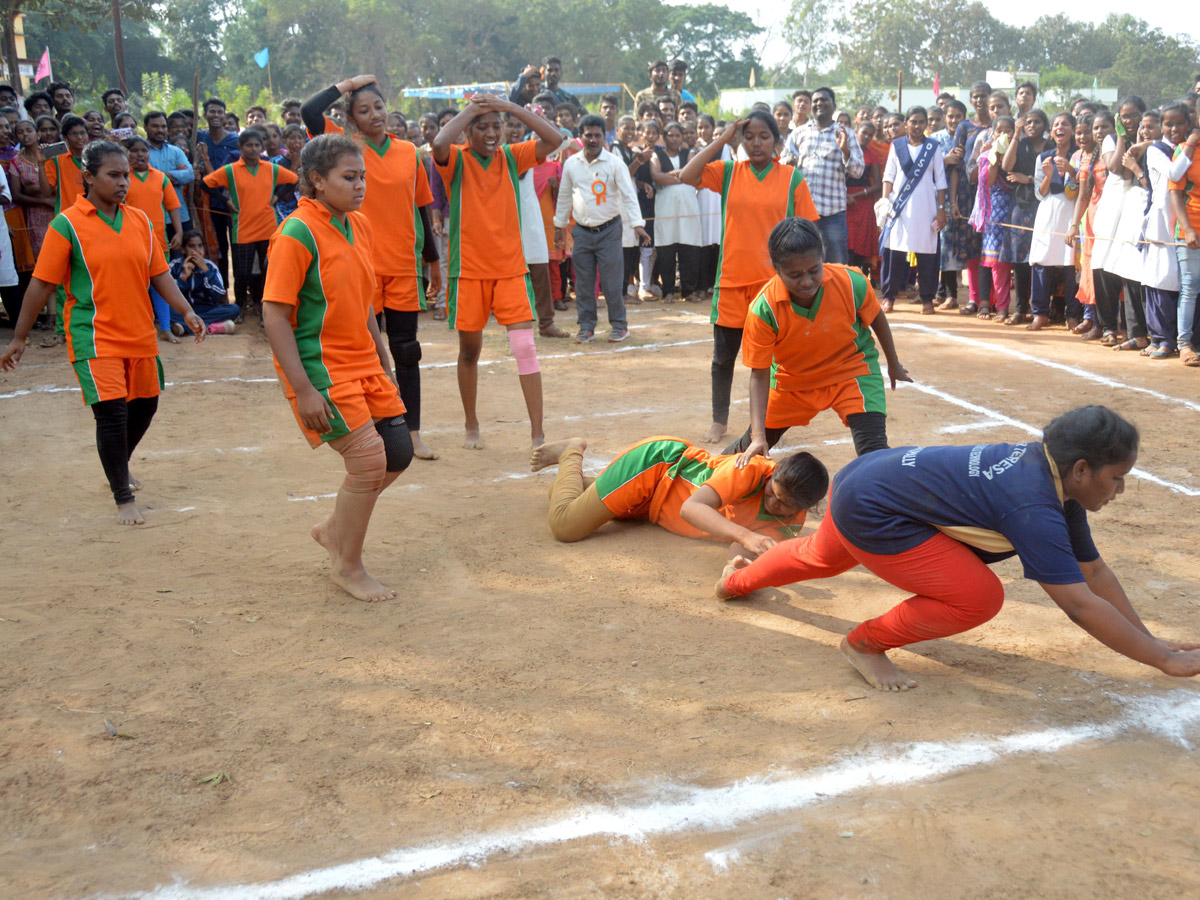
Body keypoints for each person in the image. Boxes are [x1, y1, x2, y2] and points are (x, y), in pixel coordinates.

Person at [716, 406, 1200, 692]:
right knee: (979, 596)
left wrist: (1154, 642)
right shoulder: (1033, 504)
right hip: (875, 507)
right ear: (1080, 470)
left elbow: (1094, 575)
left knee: (819, 556)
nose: (1120, 490)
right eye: (1117, 479)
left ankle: (734, 580)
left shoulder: (1052, 477)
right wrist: (1163, 661)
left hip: (866, 481)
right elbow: (1078, 603)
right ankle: (864, 642)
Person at [0, 141, 206, 525]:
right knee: (111, 415)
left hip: (139, 332)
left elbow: (159, 274)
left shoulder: (141, 221)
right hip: (93, 337)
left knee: (145, 405)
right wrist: (19, 337)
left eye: (126, 174)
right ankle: (122, 496)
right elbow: (41, 284)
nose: (123, 182)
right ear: (89, 177)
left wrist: (187, 311)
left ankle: (119, 463)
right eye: (114, 174)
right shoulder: (67, 224)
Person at [262, 133, 413, 603]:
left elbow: (363, 296)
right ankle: (347, 566)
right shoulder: (295, 234)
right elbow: (273, 315)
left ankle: (333, 530)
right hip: (322, 370)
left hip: (364, 361)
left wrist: (381, 350)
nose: (361, 185)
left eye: (363, 176)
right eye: (350, 177)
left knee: (398, 453)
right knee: (368, 460)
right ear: (316, 181)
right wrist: (304, 390)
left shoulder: (358, 225)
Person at [302, 74, 442, 460]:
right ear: (351, 118)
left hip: (401, 264)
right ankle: (376, 428)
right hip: (358, 264)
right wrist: (349, 84)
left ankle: (411, 431)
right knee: (365, 348)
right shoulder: (344, 149)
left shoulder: (411, 152)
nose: (375, 114)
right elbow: (308, 110)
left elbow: (421, 208)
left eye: (378, 106)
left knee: (406, 349)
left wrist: (433, 261)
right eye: (363, 110)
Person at [676, 112, 818, 445]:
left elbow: (809, 229)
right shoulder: (727, 172)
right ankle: (719, 419)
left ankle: (774, 420)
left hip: (774, 286)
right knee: (723, 357)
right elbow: (686, 174)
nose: (756, 143)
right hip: (731, 283)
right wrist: (723, 139)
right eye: (749, 136)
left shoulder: (791, 178)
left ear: (776, 141)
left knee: (775, 360)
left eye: (764, 136)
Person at [432, 94, 564, 449]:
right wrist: (472, 109)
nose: (491, 133)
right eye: (482, 127)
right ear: (469, 131)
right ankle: (471, 424)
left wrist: (510, 108)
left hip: (509, 270)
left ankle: (538, 434)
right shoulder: (455, 159)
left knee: (525, 347)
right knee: (470, 352)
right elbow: (440, 142)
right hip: (468, 272)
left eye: (497, 127)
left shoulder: (511, 156)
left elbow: (554, 140)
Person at [724, 217, 909, 463]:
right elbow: (759, 374)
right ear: (777, 270)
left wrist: (893, 362)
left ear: (822, 257)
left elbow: (877, 317)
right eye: (794, 275)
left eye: (814, 270)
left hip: (852, 372)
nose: (807, 281)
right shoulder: (765, 308)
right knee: (751, 447)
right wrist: (758, 435)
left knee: (874, 452)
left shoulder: (850, 282)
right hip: (794, 383)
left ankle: (883, 499)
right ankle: (707, 471)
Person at [531, 436, 827, 555]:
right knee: (565, 525)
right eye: (772, 493)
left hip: (653, 509)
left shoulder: (792, 523)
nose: (773, 503)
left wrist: (735, 570)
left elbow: (746, 549)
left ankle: (578, 484)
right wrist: (744, 535)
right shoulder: (750, 469)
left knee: (561, 493)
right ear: (772, 475)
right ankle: (570, 452)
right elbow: (691, 509)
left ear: (804, 509)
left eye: (784, 505)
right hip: (656, 469)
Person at [553, 113, 649, 343]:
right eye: (589, 135)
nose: (594, 140)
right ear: (580, 137)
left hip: (609, 231)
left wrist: (637, 224)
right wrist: (559, 226)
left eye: (598, 135)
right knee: (583, 284)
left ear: (604, 136)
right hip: (581, 232)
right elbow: (565, 196)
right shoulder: (571, 164)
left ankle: (619, 326)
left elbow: (628, 194)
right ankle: (586, 327)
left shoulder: (615, 164)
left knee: (611, 282)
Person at [202, 127, 298, 317]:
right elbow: (205, 183)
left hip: (268, 228)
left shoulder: (270, 168)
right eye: (249, 145)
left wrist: (277, 196)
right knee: (241, 273)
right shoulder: (230, 170)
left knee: (267, 271)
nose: (253, 149)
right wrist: (226, 201)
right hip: (243, 229)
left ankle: (263, 308)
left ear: (261, 147)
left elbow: (293, 179)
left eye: (257, 145)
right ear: (240, 147)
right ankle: (240, 307)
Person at [780, 87, 863, 264]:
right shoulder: (798, 133)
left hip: (832, 212)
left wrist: (845, 151)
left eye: (824, 100)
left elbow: (858, 171)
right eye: (815, 100)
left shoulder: (846, 134)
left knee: (837, 263)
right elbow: (782, 164)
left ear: (834, 105)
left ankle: (838, 292)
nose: (819, 103)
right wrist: (788, 162)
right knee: (802, 260)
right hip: (802, 211)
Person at [879, 106, 948, 316]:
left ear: (926, 124)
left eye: (921, 122)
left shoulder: (933, 147)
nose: (917, 126)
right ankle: (889, 297)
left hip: (926, 208)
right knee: (894, 253)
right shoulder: (897, 146)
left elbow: (941, 180)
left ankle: (927, 298)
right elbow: (888, 176)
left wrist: (942, 209)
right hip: (899, 208)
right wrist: (884, 202)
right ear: (906, 123)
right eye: (913, 122)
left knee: (927, 254)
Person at [124, 136, 185, 343]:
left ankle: (166, 328)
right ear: (127, 153)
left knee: (161, 284)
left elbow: (173, 206)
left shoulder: (160, 177)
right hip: (129, 240)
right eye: (135, 150)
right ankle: (142, 329)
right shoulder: (123, 178)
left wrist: (178, 232)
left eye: (144, 150)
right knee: (136, 286)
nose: (140, 155)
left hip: (157, 240)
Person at [37, 113, 89, 345]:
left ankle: (87, 324)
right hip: (66, 222)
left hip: (91, 220)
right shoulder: (56, 159)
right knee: (61, 277)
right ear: (66, 138)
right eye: (75, 134)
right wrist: (40, 163)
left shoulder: (94, 158)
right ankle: (61, 329)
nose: (80, 138)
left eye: (83, 133)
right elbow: (47, 192)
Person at [1027, 112, 1080, 332]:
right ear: (1051, 131)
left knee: (1070, 264)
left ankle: (1073, 315)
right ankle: (1040, 313)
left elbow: (1081, 188)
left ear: (1073, 130)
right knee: (1042, 261)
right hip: (1048, 212)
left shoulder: (1079, 155)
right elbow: (1040, 193)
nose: (1060, 128)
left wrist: (1070, 170)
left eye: (1065, 124)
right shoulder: (1043, 157)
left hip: (1071, 211)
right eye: (1056, 124)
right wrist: (1049, 175)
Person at [648, 121, 702, 304]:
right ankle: (668, 291)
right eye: (670, 135)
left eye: (678, 135)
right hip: (666, 209)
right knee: (666, 250)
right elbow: (656, 176)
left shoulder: (690, 153)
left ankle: (688, 291)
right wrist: (681, 176)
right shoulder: (657, 155)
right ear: (664, 137)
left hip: (687, 207)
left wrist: (669, 176)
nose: (674, 138)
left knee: (690, 249)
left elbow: (692, 172)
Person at [196, 97, 240, 287]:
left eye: (219, 112)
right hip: (210, 203)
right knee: (219, 248)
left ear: (224, 115)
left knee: (238, 247)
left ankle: (241, 290)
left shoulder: (235, 141)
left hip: (233, 201)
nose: (216, 115)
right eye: (212, 112)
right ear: (205, 115)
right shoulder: (199, 139)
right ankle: (221, 289)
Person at [1168, 114, 1200, 367]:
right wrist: (1187, 229)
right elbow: (1175, 193)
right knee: (1190, 286)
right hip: (1192, 228)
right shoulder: (1185, 150)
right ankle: (1184, 344)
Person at [169, 229, 240, 334]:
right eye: (192, 246)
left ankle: (186, 327)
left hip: (206, 309)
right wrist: (184, 277)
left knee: (234, 309)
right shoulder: (175, 266)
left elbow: (219, 293)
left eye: (200, 246)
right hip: (182, 310)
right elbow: (168, 293)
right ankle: (210, 327)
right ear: (183, 250)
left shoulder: (210, 267)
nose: (197, 250)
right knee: (166, 311)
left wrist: (205, 271)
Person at [144, 110, 194, 243]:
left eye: (163, 126)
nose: (160, 130)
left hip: (179, 216)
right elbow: (143, 177)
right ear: (145, 128)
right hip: (151, 217)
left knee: (182, 259)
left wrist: (161, 174)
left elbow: (189, 175)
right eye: (155, 126)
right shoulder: (141, 152)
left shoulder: (176, 151)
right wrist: (175, 174)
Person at [846, 121, 882, 278]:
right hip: (844, 200)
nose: (867, 137)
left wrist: (856, 195)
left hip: (863, 201)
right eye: (864, 133)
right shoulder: (844, 150)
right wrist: (846, 196)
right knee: (846, 241)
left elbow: (878, 184)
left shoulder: (871, 154)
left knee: (862, 243)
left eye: (870, 134)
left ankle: (860, 278)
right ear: (856, 131)